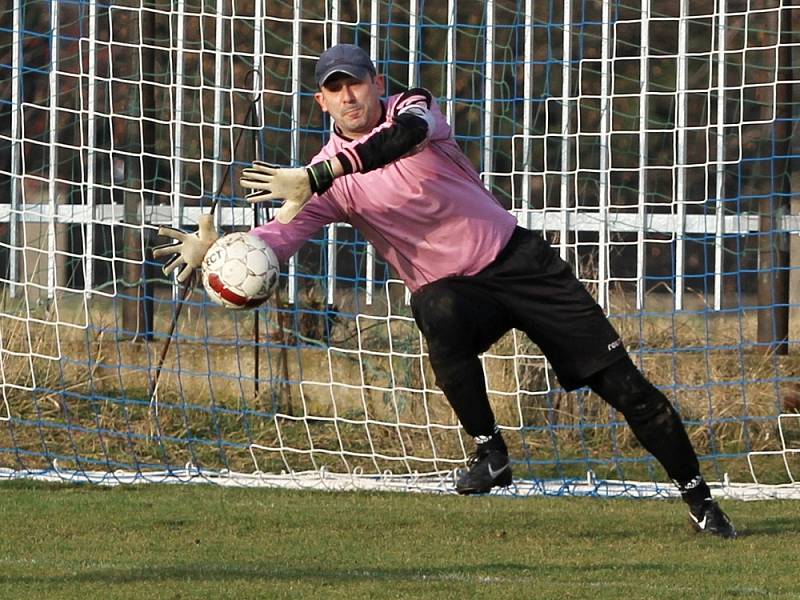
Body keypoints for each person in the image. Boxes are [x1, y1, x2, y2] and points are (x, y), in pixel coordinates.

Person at [154, 43, 736, 538]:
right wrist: (223, 250)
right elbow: (282, 237)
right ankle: (491, 452)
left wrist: (319, 176)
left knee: (627, 388)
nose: (349, 96)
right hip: (457, 293)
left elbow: (404, 139)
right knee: (436, 304)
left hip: (520, 264)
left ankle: (699, 499)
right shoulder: (320, 176)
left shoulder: (412, 109)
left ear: (376, 83)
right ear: (321, 101)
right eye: (335, 89)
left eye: (355, 82)